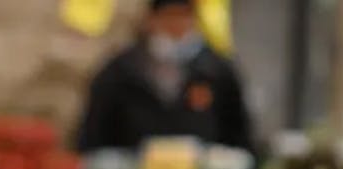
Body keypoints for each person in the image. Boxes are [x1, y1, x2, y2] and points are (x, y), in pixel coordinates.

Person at [76, 0, 253, 154]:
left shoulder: (217, 72)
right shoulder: (119, 72)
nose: (176, 27)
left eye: (183, 18)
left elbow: (240, 135)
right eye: (168, 18)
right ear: (150, 20)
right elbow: (92, 137)